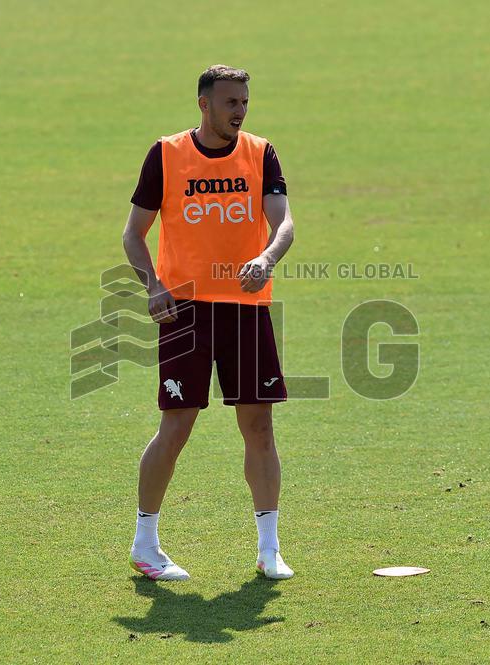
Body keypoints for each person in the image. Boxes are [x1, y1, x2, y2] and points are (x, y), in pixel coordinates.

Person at [121, 64, 296, 581]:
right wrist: (152, 284)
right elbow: (133, 234)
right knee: (176, 426)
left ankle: (269, 550)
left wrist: (265, 258)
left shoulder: (260, 153)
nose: (239, 110)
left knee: (259, 427)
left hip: (246, 308)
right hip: (186, 311)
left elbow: (283, 222)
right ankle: (145, 543)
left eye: (244, 101)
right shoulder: (167, 154)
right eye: (230, 102)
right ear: (204, 104)